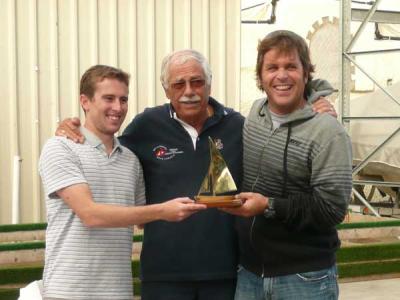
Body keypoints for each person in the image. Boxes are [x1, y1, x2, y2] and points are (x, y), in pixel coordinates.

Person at [56, 50, 337, 300]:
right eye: (178, 84)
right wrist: (72, 127)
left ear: (209, 84)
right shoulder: (145, 126)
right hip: (163, 276)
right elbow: (106, 143)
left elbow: (280, 136)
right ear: (167, 91)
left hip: (225, 274)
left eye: (197, 81)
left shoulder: (239, 126)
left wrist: (314, 108)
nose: (188, 91)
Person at [39, 65, 206, 300]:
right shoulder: (60, 148)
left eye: (123, 99)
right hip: (69, 292)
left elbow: (142, 219)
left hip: (118, 292)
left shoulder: (130, 160)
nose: (118, 108)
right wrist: (162, 211)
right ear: (85, 101)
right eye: (109, 98)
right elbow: (90, 214)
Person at [221, 30, 353, 300]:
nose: (281, 76)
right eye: (272, 67)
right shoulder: (255, 115)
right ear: (261, 77)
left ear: (306, 74)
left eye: (291, 66)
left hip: (304, 277)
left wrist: (269, 205)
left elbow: (332, 209)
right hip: (250, 274)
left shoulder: (327, 132)